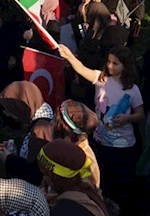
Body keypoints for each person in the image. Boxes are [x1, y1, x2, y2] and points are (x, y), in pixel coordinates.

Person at [57, 44, 142, 211]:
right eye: (108, 62)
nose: (110, 66)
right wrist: (69, 56)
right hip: (100, 140)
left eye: (115, 63)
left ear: (125, 65)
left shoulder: (133, 89)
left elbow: (140, 114)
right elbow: (81, 69)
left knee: (120, 184)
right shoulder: (101, 79)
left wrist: (127, 118)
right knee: (103, 180)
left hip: (122, 146)